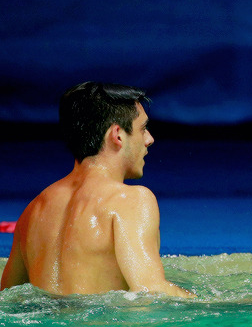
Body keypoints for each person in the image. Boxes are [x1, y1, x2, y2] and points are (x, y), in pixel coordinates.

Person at [1, 81, 195, 298]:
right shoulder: (131, 200)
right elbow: (151, 291)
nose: (150, 139)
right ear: (118, 135)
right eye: (143, 129)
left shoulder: (34, 209)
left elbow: (8, 296)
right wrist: (217, 304)